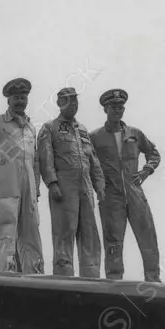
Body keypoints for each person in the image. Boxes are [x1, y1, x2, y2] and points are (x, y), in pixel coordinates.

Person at [89, 89, 162, 282]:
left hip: (135, 192)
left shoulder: (135, 134)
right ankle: (114, 282)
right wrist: (99, 187)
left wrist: (147, 170)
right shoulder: (94, 137)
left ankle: (153, 280)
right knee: (113, 241)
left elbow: (154, 153)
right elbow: (87, 163)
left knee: (147, 236)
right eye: (113, 107)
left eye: (120, 106)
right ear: (105, 109)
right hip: (111, 195)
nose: (117, 110)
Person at [0, 78, 44, 274]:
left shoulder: (31, 128)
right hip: (6, 189)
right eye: (16, 98)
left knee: (31, 234)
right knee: (6, 235)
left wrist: (36, 189)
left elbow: (36, 162)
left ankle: (35, 276)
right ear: (8, 100)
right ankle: (5, 275)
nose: (20, 101)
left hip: (28, 191)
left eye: (23, 98)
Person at [37, 87, 105, 277]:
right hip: (64, 186)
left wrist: (99, 184)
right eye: (68, 101)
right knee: (64, 232)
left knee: (89, 232)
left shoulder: (82, 129)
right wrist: (52, 183)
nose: (73, 104)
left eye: (75, 101)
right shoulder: (50, 127)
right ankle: (63, 277)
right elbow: (45, 158)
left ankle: (91, 277)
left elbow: (93, 160)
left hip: (85, 187)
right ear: (59, 103)